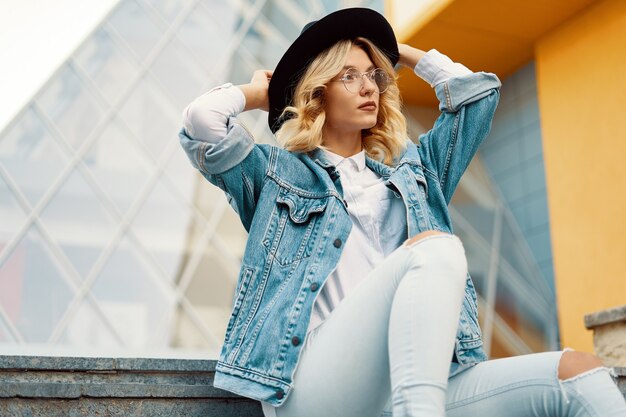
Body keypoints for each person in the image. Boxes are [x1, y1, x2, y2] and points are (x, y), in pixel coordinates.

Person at [179, 7, 626, 417]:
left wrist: (397, 51)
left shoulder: (415, 175)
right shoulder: (274, 174)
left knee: (580, 374)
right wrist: (263, 93)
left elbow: (476, 98)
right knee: (436, 250)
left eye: (373, 74)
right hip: (315, 391)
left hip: (412, 388)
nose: (369, 85)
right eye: (349, 76)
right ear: (316, 89)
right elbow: (202, 121)